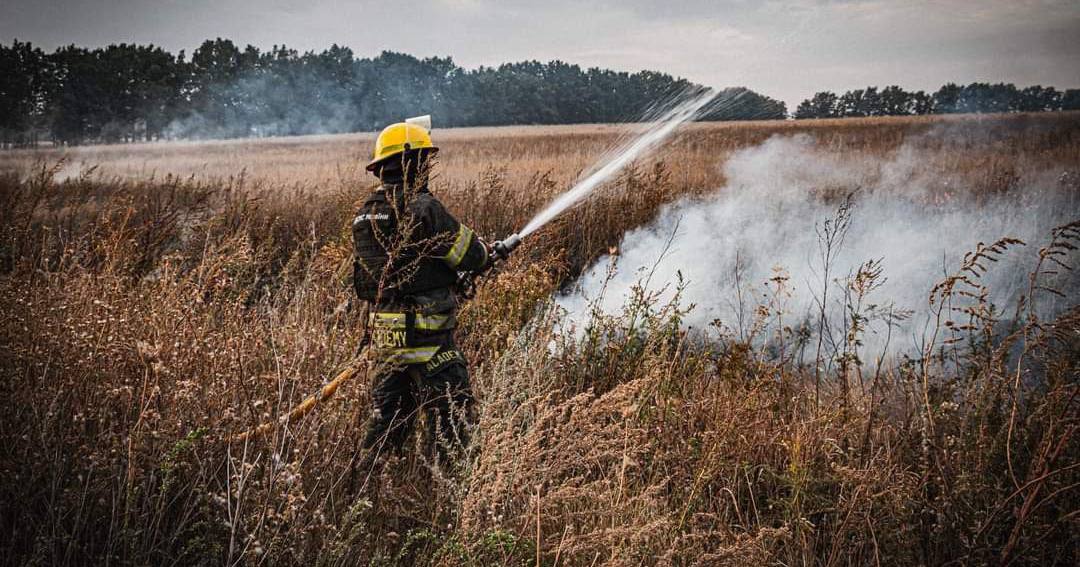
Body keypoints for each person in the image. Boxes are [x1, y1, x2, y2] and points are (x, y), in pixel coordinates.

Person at [352, 119, 489, 465]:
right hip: (431, 342)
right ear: (413, 164)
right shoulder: (424, 208)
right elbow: (469, 254)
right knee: (452, 423)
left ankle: (368, 486)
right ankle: (454, 496)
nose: (428, 168)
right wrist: (487, 253)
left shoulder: (365, 215)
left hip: (387, 340)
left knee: (388, 422)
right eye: (425, 161)